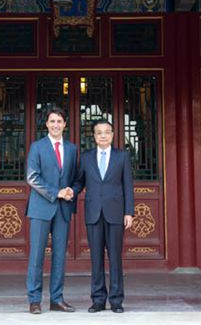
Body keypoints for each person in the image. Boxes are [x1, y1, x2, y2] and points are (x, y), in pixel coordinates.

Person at [72, 119, 134, 313]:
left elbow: (128, 186)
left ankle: (116, 300)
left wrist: (129, 212)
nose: (103, 135)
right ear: (94, 136)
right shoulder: (87, 157)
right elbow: (79, 182)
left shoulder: (121, 156)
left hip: (115, 213)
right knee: (96, 259)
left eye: (107, 132)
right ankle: (98, 299)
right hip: (93, 213)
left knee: (115, 258)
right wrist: (70, 191)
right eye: (99, 132)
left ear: (113, 134)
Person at [25, 108, 77, 315]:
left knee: (59, 257)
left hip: (63, 210)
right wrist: (57, 193)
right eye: (52, 121)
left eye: (60, 121)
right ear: (46, 124)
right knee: (36, 256)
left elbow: (74, 176)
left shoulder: (72, 149)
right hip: (40, 208)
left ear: (65, 124)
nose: (56, 125)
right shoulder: (37, 147)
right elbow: (32, 178)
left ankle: (57, 299)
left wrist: (72, 190)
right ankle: (34, 300)